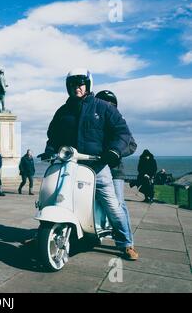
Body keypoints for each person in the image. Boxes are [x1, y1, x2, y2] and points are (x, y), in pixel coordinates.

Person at [39, 68, 138, 261]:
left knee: (113, 206)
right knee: (55, 196)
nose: (77, 87)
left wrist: (114, 150)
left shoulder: (103, 107)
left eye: (81, 83)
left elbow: (122, 132)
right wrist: (51, 149)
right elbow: (53, 135)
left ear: (88, 84)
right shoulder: (63, 111)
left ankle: (126, 243)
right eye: (73, 84)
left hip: (97, 166)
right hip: (69, 164)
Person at [96, 90, 137, 249]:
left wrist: (115, 152)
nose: (107, 106)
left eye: (110, 104)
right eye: (103, 102)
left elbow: (132, 145)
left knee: (118, 205)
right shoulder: (95, 120)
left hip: (114, 170)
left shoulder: (118, 120)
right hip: (93, 168)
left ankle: (127, 243)